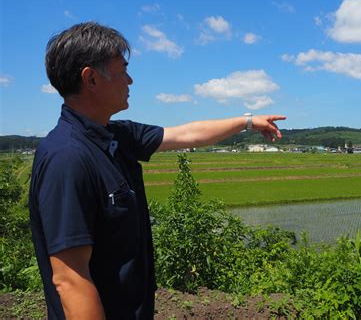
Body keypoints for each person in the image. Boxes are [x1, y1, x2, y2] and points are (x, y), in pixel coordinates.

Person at [29, 22, 286, 320]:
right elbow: (70, 279)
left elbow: (188, 134)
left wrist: (249, 122)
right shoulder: (67, 158)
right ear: (91, 79)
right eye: (123, 70)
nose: (131, 80)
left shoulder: (117, 136)